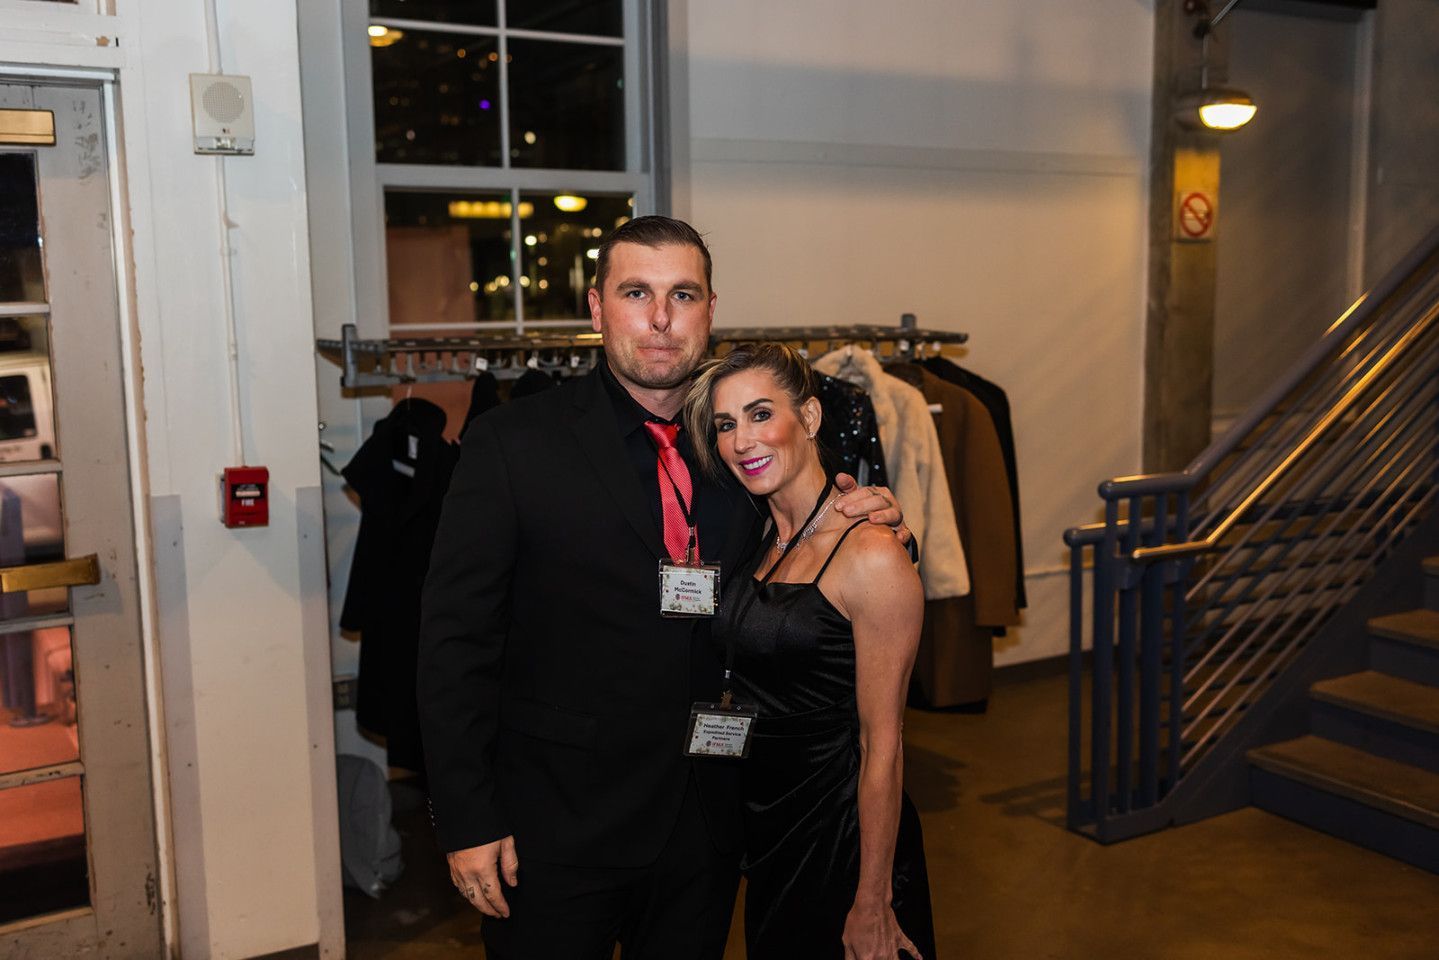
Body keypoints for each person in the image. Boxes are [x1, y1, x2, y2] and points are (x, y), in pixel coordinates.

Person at [416, 216, 907, 959]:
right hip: (554, 835)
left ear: (710, 310)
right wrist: (466, 817)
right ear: (595, 308)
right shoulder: (512, 446)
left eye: (682, 295)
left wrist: (878, 521)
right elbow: (454, 644)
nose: (659, 318)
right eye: (635, 292)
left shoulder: (744, 450)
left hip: (706, 830)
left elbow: (827, 546)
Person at [685, 342, 937, 960]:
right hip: (771, 830)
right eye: (726, 424)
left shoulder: (871, 554)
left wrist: (872, 898)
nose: (743, 440)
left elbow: (884, 744)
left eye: (761, 414)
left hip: (841, 837)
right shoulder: (758, 537)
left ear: (812, 418)